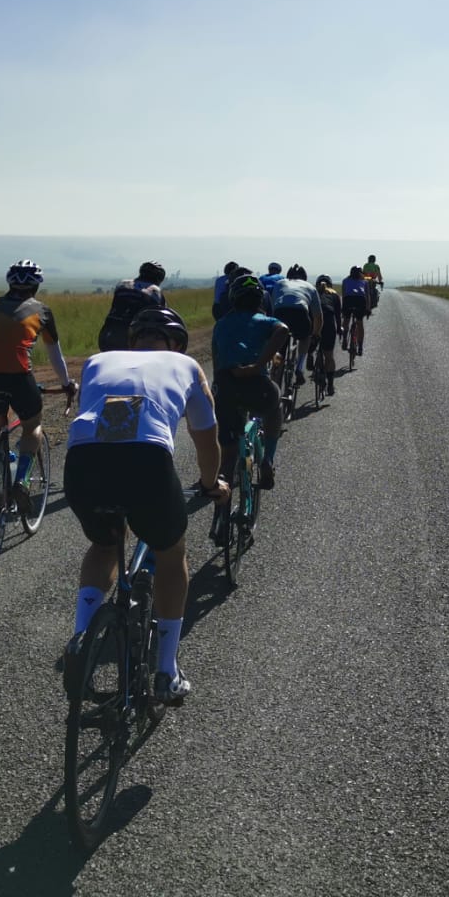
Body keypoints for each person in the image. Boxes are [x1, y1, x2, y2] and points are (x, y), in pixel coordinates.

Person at [63, 307, 227, 705]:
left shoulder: (99, 361)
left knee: (104, 546)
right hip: (147, 462)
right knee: (171, 555)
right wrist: (210, 484)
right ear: (177, 343)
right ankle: (166, 672)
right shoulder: (186, 365)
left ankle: (81, 638)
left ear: (132, 342)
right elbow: (206, 439)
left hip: (83, 458)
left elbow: (110, 417)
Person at [0, 260, 78, 518]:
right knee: (32, 426)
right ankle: (22, 483)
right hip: (16, 376)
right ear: (36, 285)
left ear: (9, 283)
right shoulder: (42, 311)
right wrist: (66, 384)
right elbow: (55, 356)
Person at [210, 273, 288, 492]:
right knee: (275, 405)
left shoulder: (221, 324)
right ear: (260, 299)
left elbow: (216, 362)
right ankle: (268, 460)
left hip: (225, 387)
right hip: (258, 386)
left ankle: (223, 481)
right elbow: (283, 330)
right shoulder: (265, 321)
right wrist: (258, 364)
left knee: (228, 449)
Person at [97, 260, 167, 353]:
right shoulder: (155, 291)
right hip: (132, 340)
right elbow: (164, 316)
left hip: (106, 335)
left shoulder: (122, 284)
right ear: (159, 278)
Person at [271, 266, 323, 390]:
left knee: (279, 348)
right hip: (300, 314)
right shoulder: (310, 287)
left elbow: (273, 307)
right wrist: (316, 334)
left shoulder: (279, 283)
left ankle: (275, 373)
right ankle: (300, 367)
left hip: (280, 314)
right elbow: (318, 316)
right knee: (306, 337)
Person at [314, 274, 342, 395]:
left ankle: (310, 358)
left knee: (309, 347)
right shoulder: (335, 294)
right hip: (329, 325)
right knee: (329, 356)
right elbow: (338, 316)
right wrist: (340, 329)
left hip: (314, 323)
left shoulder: (312, 293)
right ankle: (330, 385)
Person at [342, 266, 370, 356]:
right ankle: (360, 347)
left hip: (348, 300)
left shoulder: (345, 281)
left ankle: (345, 339)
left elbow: (343, 295)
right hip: (360, 301)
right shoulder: (364, 282)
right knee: (359, 323)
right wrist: (368, 308)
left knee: (346, 320)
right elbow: (367, 296)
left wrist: (343, 308)